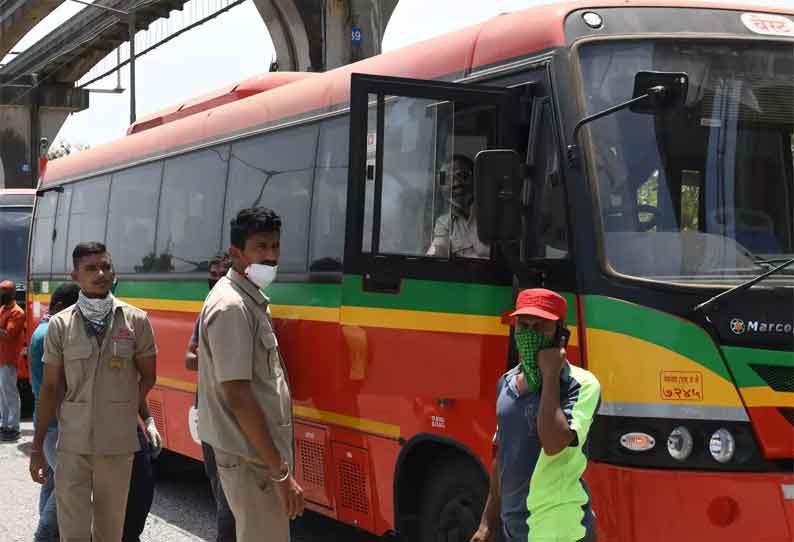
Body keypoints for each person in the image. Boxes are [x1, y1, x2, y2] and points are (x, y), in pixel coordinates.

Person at [29, 242, 159, 542]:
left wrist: (127, 410)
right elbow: (50, 388)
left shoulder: (136, 321)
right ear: (75, 276)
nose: (100, 274)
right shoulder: (61, 325)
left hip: (118, 445)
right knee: (72, 530)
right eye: (91, 268)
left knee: (109, 531)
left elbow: (148, 375)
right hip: (72, 445)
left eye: (106, 267)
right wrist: (37, 448)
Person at [198, 207, 304, 542]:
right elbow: (238, 395)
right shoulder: (232, 307)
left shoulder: (250, 300)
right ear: (236, 253)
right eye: (261, 247)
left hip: (258, 459)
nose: (271, 256)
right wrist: (280, 472)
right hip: (253, 462)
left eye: (275, 246)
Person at [472, 289, 601, 542]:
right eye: (523, 325)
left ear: (560, 333)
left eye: (541, 327)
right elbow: (502, 457)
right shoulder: (507, 382)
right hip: (516, 531)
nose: (530, 334)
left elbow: (553, 443)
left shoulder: (581, 384)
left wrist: (551, 376)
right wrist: (487, 522)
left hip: (561, 531)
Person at [185, 252, 236, 542]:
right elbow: (189, 359)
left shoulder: (245, 308)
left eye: (222, 275)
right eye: (212, 276)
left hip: (235, 415)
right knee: (218, 484)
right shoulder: (206, 311)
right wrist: (218, 353)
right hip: (209, 409)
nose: (216, 281)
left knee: (233, 492)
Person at [29, 283, 80, 542]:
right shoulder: (52, 332)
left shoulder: (42, 328)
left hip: (48, 421)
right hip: (55, 424)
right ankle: (45, 535)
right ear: (61, 307)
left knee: (52, 480)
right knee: (68, 485)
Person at [427, 154, 490, 259]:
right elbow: (438, 248)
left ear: (477, 179)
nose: (455, 183)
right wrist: (429, 259)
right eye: (445, 179)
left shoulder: (494, 214)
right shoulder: (444, 223)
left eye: (463, 175)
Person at [0, 279, 26, 442]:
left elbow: (7, 335)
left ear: (12, 293)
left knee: (9, 393)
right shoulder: (2, 309)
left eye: (4, 292)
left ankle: (13, 427)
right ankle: (4, 424)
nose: (1, 294)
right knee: (2, 394)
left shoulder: (17, 312)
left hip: (9, 359)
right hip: (1, 358)